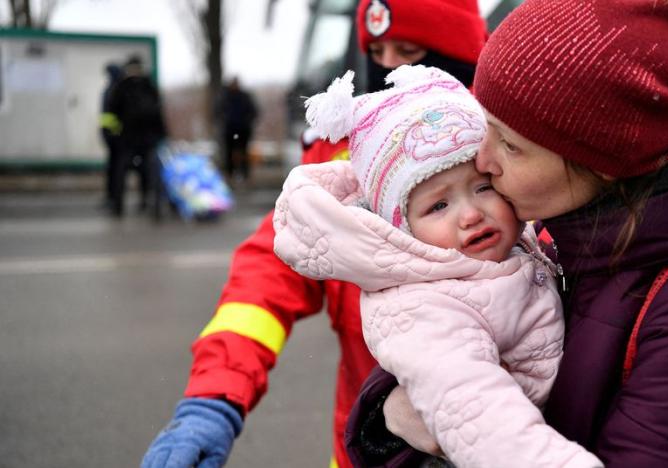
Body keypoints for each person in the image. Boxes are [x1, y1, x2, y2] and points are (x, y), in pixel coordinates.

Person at [345, 0, 668, 466]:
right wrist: (387, 419)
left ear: (599, 159)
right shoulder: (566, 231)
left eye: (511, 146)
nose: (482, 160)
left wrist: (434, 438)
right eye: (485, 128)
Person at [140, 1, 487, 467]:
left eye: (408, 50)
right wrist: (215, 395)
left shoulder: (506, 144)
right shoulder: (343, 153)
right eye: (375, 50)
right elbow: (269, 272)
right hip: (364, 449)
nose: (386, 66)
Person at [274, 65, 603, 467]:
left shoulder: (514, 249)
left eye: (484, 187)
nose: (470, 215)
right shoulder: (424, 305)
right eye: (438, 205)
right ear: (403, 228)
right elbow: (476, 413)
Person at [107, 55, 167, 217]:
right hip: (135, 140)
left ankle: (142, 203)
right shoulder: (130, 88)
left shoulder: (137, 87)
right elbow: (111, 115)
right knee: (132, 172)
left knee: (139, 173)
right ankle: (126, 204)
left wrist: (161, 134)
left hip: (139, 139)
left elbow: (157, 113)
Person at [216, 76, 259, 182]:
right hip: (229, 130)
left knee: (244, 152)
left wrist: (247, 122)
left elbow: (254, 111)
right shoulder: (225, 97)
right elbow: (218, 112)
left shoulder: (244, 96)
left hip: (243, 130)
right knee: (229, 153)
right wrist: (225, 121)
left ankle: (245, 175)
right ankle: (229, 175)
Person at [99, 62, 123, 212]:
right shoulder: (116, 88)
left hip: (115, 137)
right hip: (115, 137)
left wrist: (108, 133)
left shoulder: (113, 90)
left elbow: (108, 115)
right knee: (114, 169)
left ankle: (113, 199)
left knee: (115, 170)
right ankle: (112, 199)